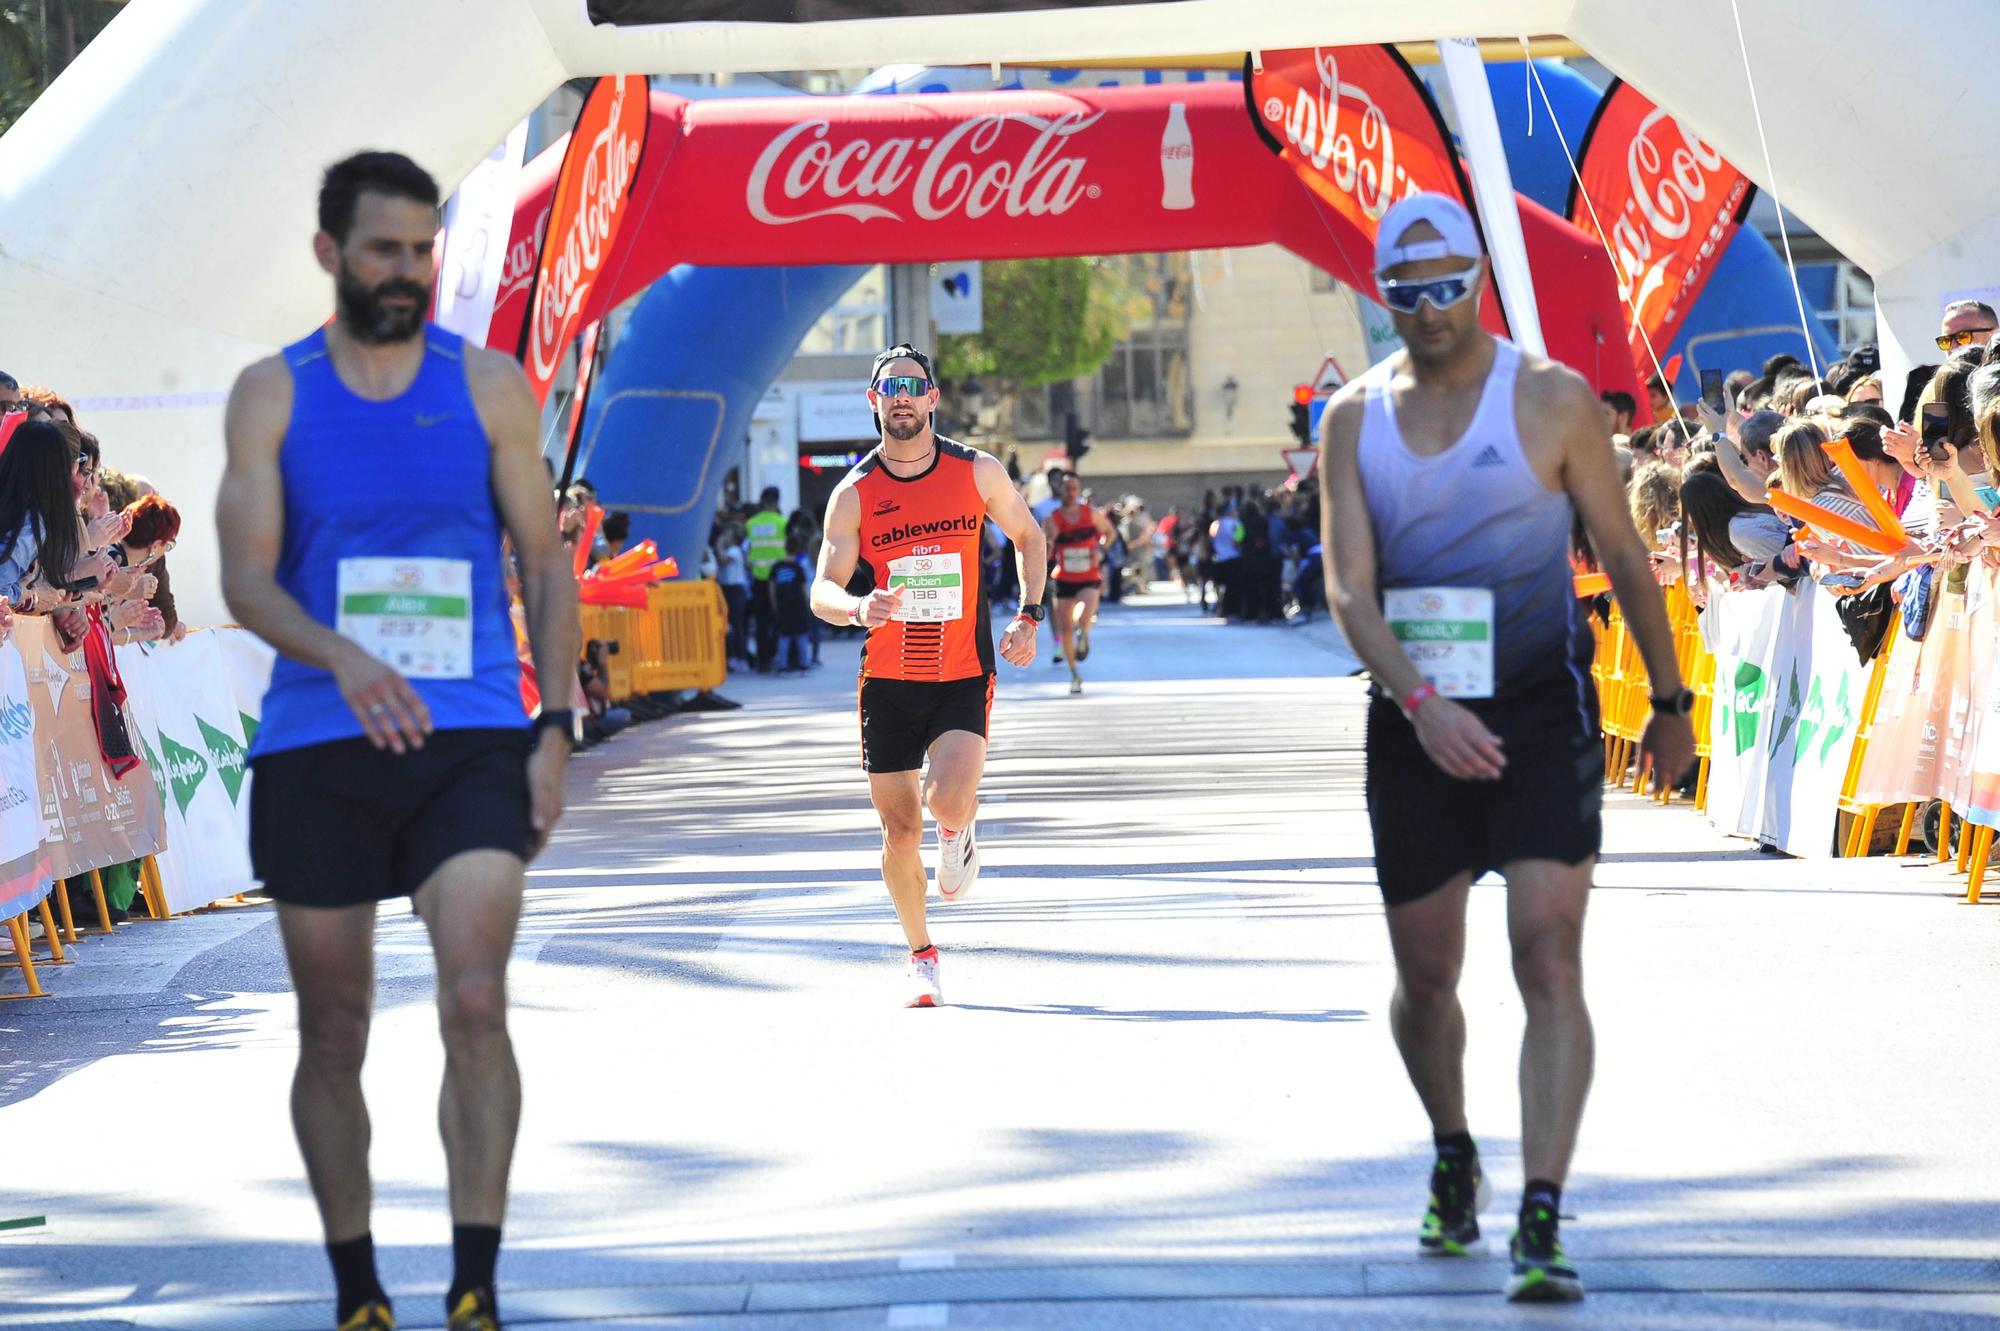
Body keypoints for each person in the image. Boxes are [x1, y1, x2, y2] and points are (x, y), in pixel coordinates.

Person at [217, 151, 578, 1331]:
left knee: (475, 997)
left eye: (424, 248)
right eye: (385, 249)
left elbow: (541, 559)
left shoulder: (488, 388)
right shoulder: (272, 393)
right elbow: (245, 579)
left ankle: (475, 1281)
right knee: (335, 1024)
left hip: (470, 732)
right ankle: (358, 1289)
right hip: (320, 740)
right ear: (330, 254)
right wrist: (345, 655)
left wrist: (557, 725)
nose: (409, 270)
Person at [1318, 194, 1695, 1305]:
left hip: (1537, 712)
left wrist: (1669, 699)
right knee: (1426, 977)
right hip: (1415, 719)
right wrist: (1421, 701)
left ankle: (1540, 1207)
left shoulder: (1547, 397)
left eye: (1447, 285)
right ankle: (1451, 1149)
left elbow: (1623, 553)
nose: (1430, 309)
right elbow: (1348, 585)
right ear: (1383, 294)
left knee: (1547, 953)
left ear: (1477, 278)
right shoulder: (1352, 418)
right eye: (1407, 291)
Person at [811, 345, 1046, 1007]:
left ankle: (959, 828)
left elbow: (1030, 537)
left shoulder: (977, 471)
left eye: (915, 386)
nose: (904, 398)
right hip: (888, 677)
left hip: (961, 669)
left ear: (934, 398)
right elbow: (821, 587)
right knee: (898, 831)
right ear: (875, 401)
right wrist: (857, 606)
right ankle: (922, 955)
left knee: (944, 802)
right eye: (892, 389)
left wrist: (1029, 615)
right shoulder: (853, 494)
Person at [1043, 471, 1113, 695]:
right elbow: (1046, 551)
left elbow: (1109, 533)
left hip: (1089, 575)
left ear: (1079, 490)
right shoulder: (1052, 519)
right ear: (1060, 491)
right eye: (1067, 488)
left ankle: (1083, 631)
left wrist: (1100, 550)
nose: (1071, 493)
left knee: (1085, 612)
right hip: (1063, 577)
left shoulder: (1090, 514)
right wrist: (1049, 546)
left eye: (1074, 488)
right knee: (1065, 629)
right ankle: (1074, 674)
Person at [745, 486, 787, 672]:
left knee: (761, 622)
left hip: (758, 577)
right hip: (778, 579)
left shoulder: (751, 523)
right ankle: (773, 653)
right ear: (777, 502)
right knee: (779, 619)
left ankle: (763, 661)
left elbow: (748, 549)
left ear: (762, 502)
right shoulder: (783, 522)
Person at [771, 528, 814, 674]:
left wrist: (774, 604)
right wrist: (808, 604)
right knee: (801, 635)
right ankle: (803, 663)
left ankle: (782, 664)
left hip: (783, 604)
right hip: (798, 605)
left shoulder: (776, 567)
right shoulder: (798, 568)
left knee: (784, 636)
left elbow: (772, 588)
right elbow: (803, 589)